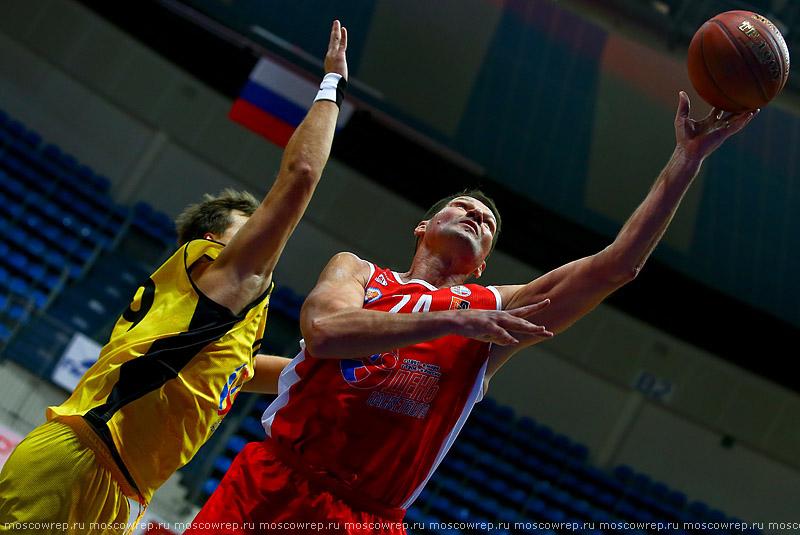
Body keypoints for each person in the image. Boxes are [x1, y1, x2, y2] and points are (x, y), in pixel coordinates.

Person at [186, 92, 756, 534]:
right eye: (463, 206)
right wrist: (453, 320)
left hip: (367, 516)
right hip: (274, 482)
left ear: (482, 264)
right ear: (422, 227)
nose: (476, 214)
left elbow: (616, 268)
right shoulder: (359, 271)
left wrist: (685, 160)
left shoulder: (494, 310)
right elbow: (326, 334)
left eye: (487, 223)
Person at [0, 20, 350, 535]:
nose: (260, 236)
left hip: (114, 486)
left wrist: (357, 358)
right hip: (82, 461)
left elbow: (241, 373)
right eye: (247, 228)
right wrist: (330, 86)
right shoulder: (224, 271)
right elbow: (299, 178)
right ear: (211, 242)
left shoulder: (209, 319)